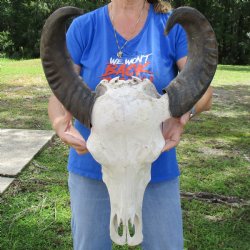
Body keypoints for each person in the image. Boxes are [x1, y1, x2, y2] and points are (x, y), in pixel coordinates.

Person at [48, 0, 213, 249]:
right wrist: (60, 122)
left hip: (156, 166)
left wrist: (182, 114)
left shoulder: (170, 26)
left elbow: (203, 92)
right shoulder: (83, 27)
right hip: (92, 167)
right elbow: (58, 94)